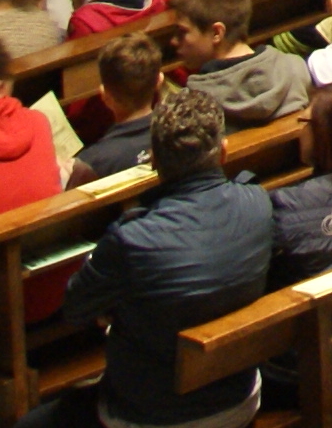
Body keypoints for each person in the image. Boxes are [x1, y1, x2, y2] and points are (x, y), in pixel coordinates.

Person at [66, 86, 278, 428]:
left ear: (154, 161)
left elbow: (76, 308)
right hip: (239, 396)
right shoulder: (259, 204)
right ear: (223, 153)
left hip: (151, 414)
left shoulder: (131, 239)